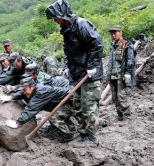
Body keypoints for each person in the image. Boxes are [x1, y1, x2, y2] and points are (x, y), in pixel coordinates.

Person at [45, 0, 104, 147]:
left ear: (62, 14)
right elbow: (69, 52)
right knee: (78, 105)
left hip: (90, 75)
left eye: (55, 17)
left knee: (88, 107)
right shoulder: (66, 29)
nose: (54, 20)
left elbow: (97, 44)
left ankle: (90, 138)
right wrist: (67, 67)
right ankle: (84, 133)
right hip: (77, 75)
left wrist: (92, 66)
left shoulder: (81, 24)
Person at [0, 77, 74, 141]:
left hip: (70, 101)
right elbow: (22, 92)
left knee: (53, 117)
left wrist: (18, 123)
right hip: (58, 102)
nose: (24, 92)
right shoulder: (32, 88)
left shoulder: (41, 92)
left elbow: (31, 108)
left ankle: (68, 136)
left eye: (25, 89)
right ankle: (71, 128)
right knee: (57, 114)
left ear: (32, 87)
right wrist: (11, 97)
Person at [107, 26, 136, 121]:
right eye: (112, 33)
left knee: (123, 97)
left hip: (122, 76)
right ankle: (120, 115)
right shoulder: (112, 45)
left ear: (120, 32)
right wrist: (108, 75)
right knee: (115, 98)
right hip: (113, 76)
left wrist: (128, 72)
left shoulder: (126, 44)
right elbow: (110, 61)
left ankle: (129, 117)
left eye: (115, 33)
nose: (113, 35)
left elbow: (130, 60)